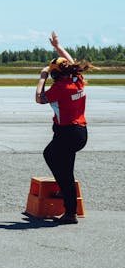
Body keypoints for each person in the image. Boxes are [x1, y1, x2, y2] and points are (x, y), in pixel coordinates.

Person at [35, 31, 93, 225]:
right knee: (64, 163)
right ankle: (66, 196)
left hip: (67, 132)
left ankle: (70, 211)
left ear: (56, 74)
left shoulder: (60, 88)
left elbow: (38, 98)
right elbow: (70, 61)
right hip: (80, 132)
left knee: (51, 156)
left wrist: (41, 77)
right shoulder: (77, 79)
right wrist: (57, 47)